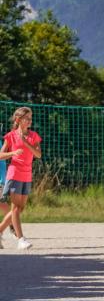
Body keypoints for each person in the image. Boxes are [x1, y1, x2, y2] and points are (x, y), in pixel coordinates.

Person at [0, 107, 41, 250]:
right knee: (16, 207)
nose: (30, 120)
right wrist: (12, 153)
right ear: (18, 120)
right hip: (14, 173)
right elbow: (0, 155)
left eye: (31, 118)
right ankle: (21, 239)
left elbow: (38, 155)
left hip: (27, 175)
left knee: (20, 208)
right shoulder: (10, 136)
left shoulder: (34, 136)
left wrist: (26, 142)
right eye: (27, 118)